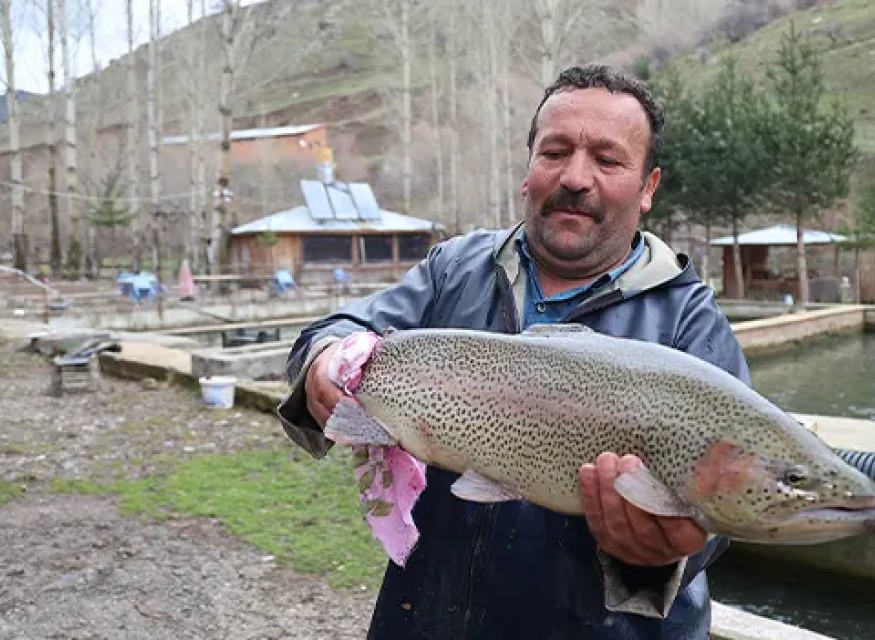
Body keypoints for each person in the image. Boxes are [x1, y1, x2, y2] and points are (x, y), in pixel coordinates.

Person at [277, 64, 751, 640]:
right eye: (554, 152)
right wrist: (328, 359)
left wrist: (670, 545)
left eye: (607, 160)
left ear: (648, 187)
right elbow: (337, 330)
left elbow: (728, 509)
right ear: (528, 168)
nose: (576, 177)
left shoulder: (688, 322)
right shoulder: (453, 271)